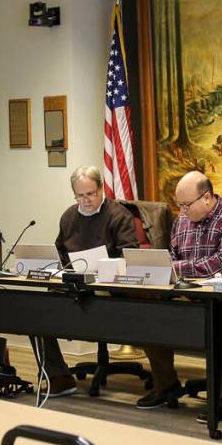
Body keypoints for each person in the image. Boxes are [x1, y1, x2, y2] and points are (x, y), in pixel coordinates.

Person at [137, 171, 222, 410]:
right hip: (188, 291)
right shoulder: (182, 222)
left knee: (219, 323)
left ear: (207, 197)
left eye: (186, 205)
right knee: (148, 313)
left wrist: (178, 268)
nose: (182, 211)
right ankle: (166, 386)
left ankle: (221, 402)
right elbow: (173, 258)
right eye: (179, 205)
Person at [32, 166, 139, 397]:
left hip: (106, 290)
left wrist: (104, 269)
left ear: (101, 188)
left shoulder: (119, 215)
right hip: (73, 285)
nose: (86, 200)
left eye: (91, 194)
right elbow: (60, 252)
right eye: (80, 195)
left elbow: (130, 257)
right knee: (37, 307)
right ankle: (59, 377)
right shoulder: (69, 216)